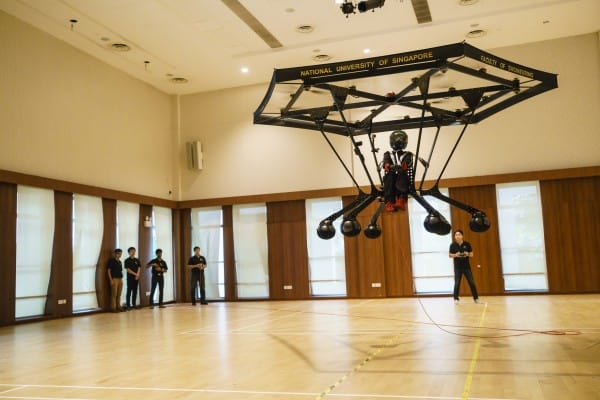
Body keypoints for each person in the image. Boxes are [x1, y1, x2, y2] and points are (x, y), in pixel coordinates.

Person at [449, 229, 480, 304]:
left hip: (466, 267)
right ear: (455, 237)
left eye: (459, 234)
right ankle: (456, 298)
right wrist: (456, 255)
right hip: (457, 268)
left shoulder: (467, 244)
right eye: (456, 235)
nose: (457, 236)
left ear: (462, 236)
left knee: (471, 283)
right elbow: (450, 255)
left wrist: (467, 254)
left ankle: (476, 298)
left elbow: (472, 254)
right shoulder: (452, 245)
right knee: (457, 283)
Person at [107, 248, 124, 312]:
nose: (120, 255)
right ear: (115, 254)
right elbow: (108, 270)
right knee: (114, 294)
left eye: (121, 254)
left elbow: (120, 270)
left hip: (120, 279)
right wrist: (111, 280)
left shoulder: (120, 262)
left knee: (119, 294)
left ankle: (118, 306)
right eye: (119, 254)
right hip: (114, 279)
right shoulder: (111, 261)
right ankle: (113, 308)